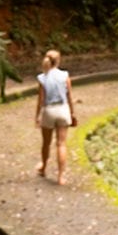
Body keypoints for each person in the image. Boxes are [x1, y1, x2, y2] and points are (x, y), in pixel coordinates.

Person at [34, 47, 76, 184]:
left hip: (49, 111)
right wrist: (73, 113)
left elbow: (40, 100)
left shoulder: (42, 78)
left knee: (46, 143)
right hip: (63, 110)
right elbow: (70, 96)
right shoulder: (65, 76)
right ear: (58, 61)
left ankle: (43, 167)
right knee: (61, 144)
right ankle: (61, 176)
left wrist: (37, 116)